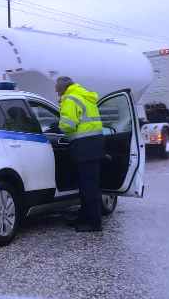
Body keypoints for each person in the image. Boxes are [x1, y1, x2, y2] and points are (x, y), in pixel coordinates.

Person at [55, 76, 104, 232]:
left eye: (57, 89)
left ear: (62, 88)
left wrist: (58, 126)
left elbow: (68, 125)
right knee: (88, 185)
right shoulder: (85, 95)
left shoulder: (70, 99)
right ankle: (84, 217)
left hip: (84, 146)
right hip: (94, 144)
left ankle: (94, 223)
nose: (56, 92)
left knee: (88, 187)